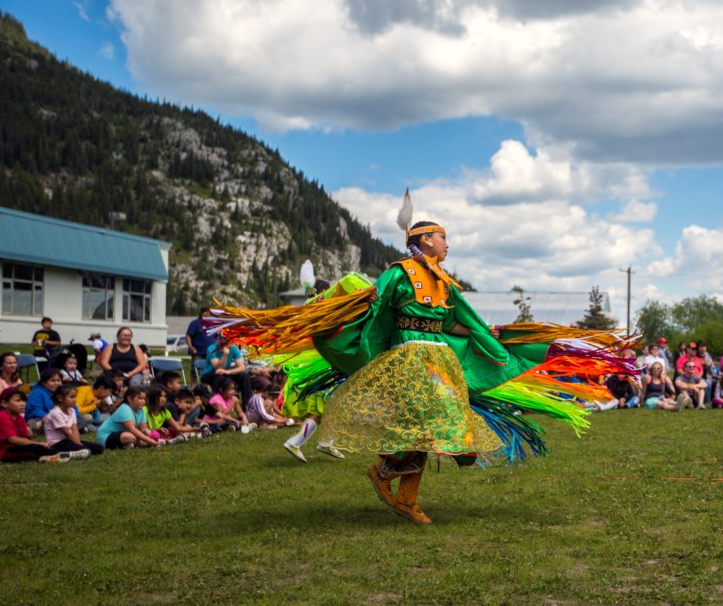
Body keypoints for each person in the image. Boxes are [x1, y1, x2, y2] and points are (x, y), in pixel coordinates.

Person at [209, 206, 626, 525]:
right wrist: (347, 316)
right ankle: (394, 475)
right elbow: (376, 308)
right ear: (424, 240)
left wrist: (490, 335)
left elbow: (457, 322)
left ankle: (394, 478)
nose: (448, 245)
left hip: (438, 356)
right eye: (443, 239)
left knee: (433, 429)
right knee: (443, 428)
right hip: (408, 357)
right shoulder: (399, 273)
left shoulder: (445, 283)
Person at [0, 388, 69, 463]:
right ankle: (55, 456)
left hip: (10, 447)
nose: (23, 404)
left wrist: (31, 436)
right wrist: (38, 443)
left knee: (42, 446)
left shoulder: (19, 417)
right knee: (34, 448)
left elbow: (25, 438)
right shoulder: (2, 417)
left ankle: (56, 454)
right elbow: (13, 440)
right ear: (4, 403)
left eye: (24, 401)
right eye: (18, 401)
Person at [43, 385, 104, 457]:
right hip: (57, 444)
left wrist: (78, 444)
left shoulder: (71, 410)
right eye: (71, 397)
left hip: (69, 441)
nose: (75, 400)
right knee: (86, 450)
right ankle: (63, 454)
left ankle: (77, 451)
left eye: (75, 397)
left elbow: (74, 429)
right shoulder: (56, 413)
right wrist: (80, 446)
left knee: (99, 448)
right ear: (60, 398)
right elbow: (67, 433)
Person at [96, 386, 162, 449]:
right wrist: (151, 441)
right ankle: (146, 443)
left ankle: (128, 445)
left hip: (122, 434)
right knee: (129, 436)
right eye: (140, 398)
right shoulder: (124, 408)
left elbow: (143, 428)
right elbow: (132, 429)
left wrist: (150, 434)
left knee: (142, 434)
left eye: (144, 399)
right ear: (130, 399)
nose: (143, 401)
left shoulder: (141, 410)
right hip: (106, 436)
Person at [202, 332, 253, 410]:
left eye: (230, 339)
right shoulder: (211, 348)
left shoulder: (233, 348)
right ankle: (216, 405)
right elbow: (218, 368)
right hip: (210, 374)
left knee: (244, 376)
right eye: (226, 339)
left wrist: (228, 372)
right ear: (220, 339)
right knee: (221, 377)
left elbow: (242, 367)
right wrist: (225, 354)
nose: (228, 341)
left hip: (225, 372)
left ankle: (247, 405)